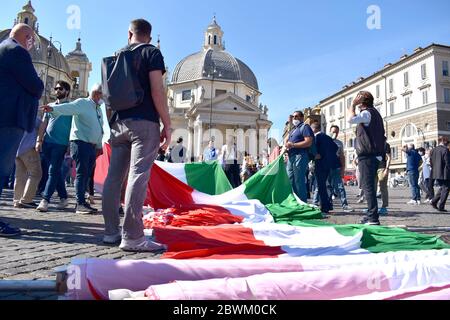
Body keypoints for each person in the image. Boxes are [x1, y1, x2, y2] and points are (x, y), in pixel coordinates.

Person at [101, 19, 172, 252]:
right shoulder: (151, 52)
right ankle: (132, 237)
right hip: (144, 121)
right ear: (148, 37)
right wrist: (167, 125)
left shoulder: (116, 55)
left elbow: (107, 96)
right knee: (138, 175)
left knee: (114, 178)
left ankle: (111, 232)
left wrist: (113, 123)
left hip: (118, 123)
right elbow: (157, 90)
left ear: (129, 33)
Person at [0, 23, 44, 237]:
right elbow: (36, 86)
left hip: (5, 116)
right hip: (9, 118)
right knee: (1, 169)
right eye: (32, 39)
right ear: (26, 36)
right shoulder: (17, 51)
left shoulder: (3, 47)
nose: (33, 43)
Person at [41, 84, 105, 215]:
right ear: (97, 94)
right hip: (80, 143)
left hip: (92, 146)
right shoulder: (83, 103)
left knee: (86, 174)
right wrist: (53, 108)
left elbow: (99, 128)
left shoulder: (98, 109)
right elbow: (68, 108)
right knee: (81, 174)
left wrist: (99, 145)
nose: (102, 98)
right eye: (102, 95)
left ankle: (79, 201)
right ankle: (80, 203)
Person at [348, 91, 385, 226]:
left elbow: (350, 119)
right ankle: (371, 215)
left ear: (361, 102)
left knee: (367, 186)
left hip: (368, 156)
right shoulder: (375, 114)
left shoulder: (366, 113)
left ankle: (373, 218)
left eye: (358, 101)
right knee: (370, 186)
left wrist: (352, 104)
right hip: (374, 155)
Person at [36, 81, 73, 212]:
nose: (57, 90)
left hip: (61, 144)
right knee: (54, 171)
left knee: (52, 171)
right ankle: (63, 198)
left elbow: (74, 127)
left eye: (60, 88)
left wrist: (70, 144)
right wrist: (39, 140)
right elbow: (43, 124)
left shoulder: (70, 107)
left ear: (66, 91)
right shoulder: (50, 106)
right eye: (56, 88)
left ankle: (45, 200)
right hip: (47, 143)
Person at [13, 115, 43, 209]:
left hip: (17, 149)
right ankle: (27, 200)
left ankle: (17, 200)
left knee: (20, 176)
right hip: (28, 148)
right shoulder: (32, 117)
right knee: (36, 173)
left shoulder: (16, 116)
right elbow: (42, 125)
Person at [285, 111, 314, 202]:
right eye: (293, 117)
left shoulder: (305, 127)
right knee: (290, 179)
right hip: (291, 156)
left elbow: (308, 142)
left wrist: (293, 145)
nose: (294, 118)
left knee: (298, 180)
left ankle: (302, 202)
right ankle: (294, 201)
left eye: (296, 116)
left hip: (300, 156)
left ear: (302, 117)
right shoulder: (293, 129)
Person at [311, 122, 338, 214]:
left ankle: (324, 207)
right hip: (329, 164)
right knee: (327, 186)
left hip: (320, 163)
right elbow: (335, 147)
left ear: (314, 129)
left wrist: (317, 155)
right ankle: (328, 205)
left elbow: (313, 149)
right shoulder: (327, 137)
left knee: (321, 186)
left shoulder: (316, 137)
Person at [328, 125, 354, 212]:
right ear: (329, 131)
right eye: (333, 131)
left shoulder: (340, 143)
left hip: (336, 167)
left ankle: (345, 205)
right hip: (327, 167)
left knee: (340, 187)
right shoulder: (325, 141)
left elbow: (342, 156)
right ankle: (328, 205)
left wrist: (343, 168)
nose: (334, 133)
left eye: (336, 132)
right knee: (328, 187)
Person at [429, 136, 450, 212]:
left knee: (442, 188)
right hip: (445, 173)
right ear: (444, 141)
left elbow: (430, 162)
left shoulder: (433, 150)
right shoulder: (445, 150)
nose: (447, 144)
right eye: (447, 143)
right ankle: (441, 206)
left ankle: (434, 201)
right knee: (446, 188)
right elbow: (448, 163)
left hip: (436, 173)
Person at [374, 140, 391, 215]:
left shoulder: (385, 144)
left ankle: (384, 207)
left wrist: (387, 169)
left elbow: (389, 157)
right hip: (372, 168)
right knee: (372, 188)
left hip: (382, 168)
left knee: (383, 187)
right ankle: (373, 207)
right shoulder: (372, 143)